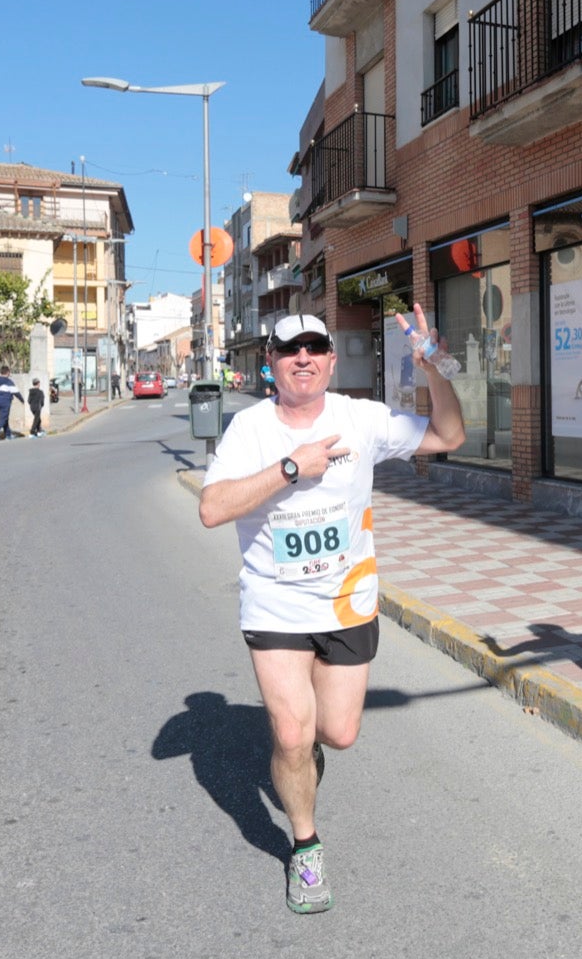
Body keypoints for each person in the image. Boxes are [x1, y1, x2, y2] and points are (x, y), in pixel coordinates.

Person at [198, 310, 464, 914]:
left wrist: (437, 368)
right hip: (275, 601)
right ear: (271, 361)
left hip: (347, 600)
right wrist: (291, 468)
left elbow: (449, 437)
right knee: (291, 733)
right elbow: (212, 509)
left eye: (315, 347)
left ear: (330, 360)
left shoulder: (360, 418)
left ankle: (303, 756)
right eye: (290, 349)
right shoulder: (249, 429)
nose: (303, 358)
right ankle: (306, 845)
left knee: (336, 733)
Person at [0, 365, 21, 441]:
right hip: (5, 402)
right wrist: (23, 401)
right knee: (3, 418)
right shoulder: (8, 381)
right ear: (8, 372)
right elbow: (16, 393)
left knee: (4, 418)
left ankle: (8, 435)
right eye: (9, 372)